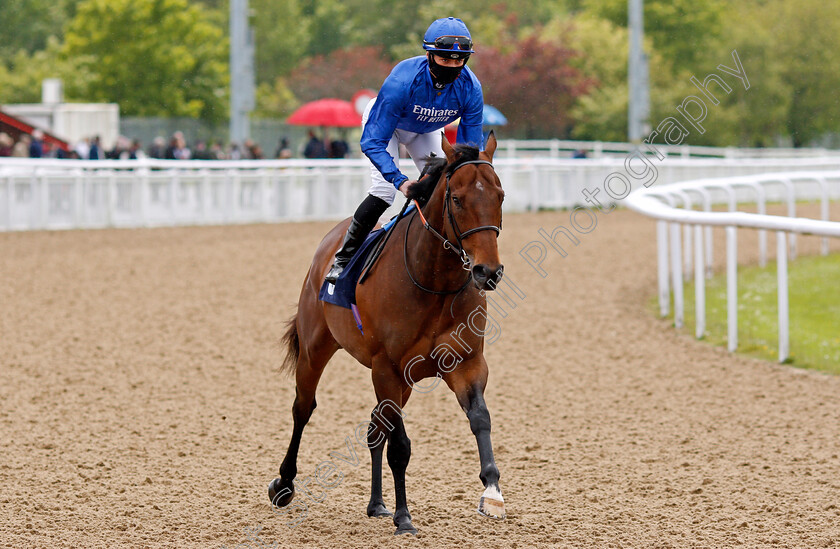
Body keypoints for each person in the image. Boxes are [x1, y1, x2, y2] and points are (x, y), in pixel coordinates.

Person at [324, 17, 484, 283]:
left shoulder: (471, 87)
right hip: (388, 126)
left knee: (448, 186)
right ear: (429, 55)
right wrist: (400, 181)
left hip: (425, 129)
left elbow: (467, 151)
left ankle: (454, 254)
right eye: (445, 60)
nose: (453, 66)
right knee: (384, 192)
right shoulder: (402, 81)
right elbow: (372, 141)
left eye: (459, 61)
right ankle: (344, 258)